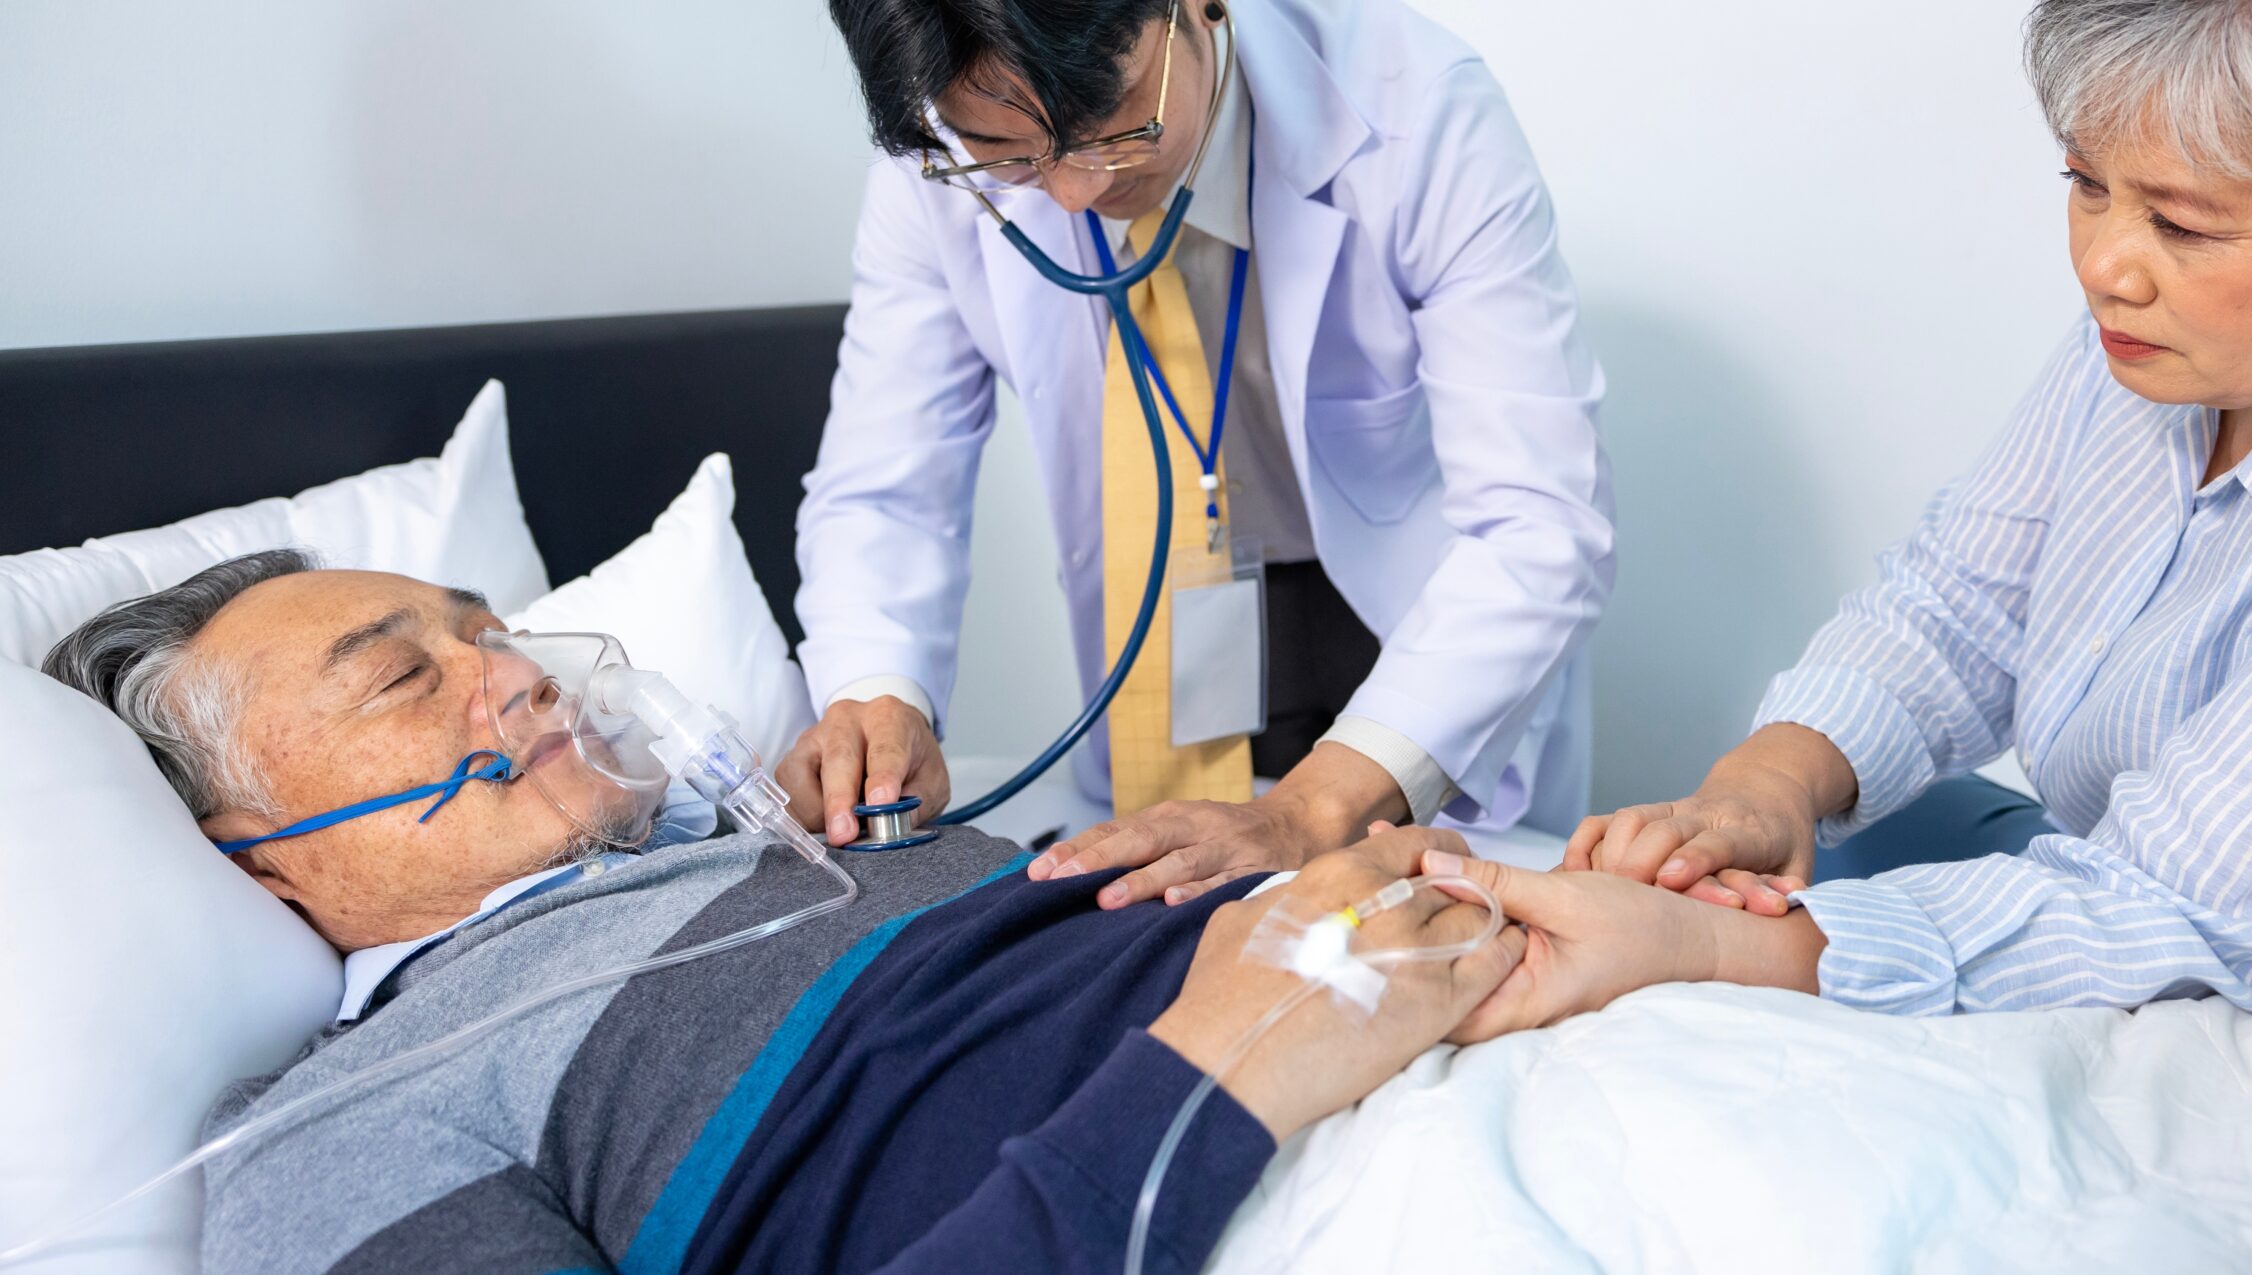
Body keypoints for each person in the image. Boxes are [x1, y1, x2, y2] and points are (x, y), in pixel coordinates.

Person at [1432, 0, 2252, 1029]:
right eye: (2085, 186)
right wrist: (1767, 783)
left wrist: (1693, 947)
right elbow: (1964, 598)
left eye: (2182, 225)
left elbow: (2175, 916)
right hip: (2117, 877)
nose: (2105, 266)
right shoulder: (2187, 334)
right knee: (1858, 845)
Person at [42, 551, 1523, 1274]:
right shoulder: (333, 1129)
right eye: (402, 676)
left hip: (1467, 1020)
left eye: (487, 631)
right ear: (263, 859)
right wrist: (1218, 1072)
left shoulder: (804, 848)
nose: (524, 673)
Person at [793, 0, 1613, 910]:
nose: (1074, 193)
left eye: (1112, 125)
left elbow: (1538, 523)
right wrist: (875, 693)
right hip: (1168, 611)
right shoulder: (939, 165)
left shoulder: (1419, 115)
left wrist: (1308, 806)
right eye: (1011, 159)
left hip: (1414, 624)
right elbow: (886, 486)